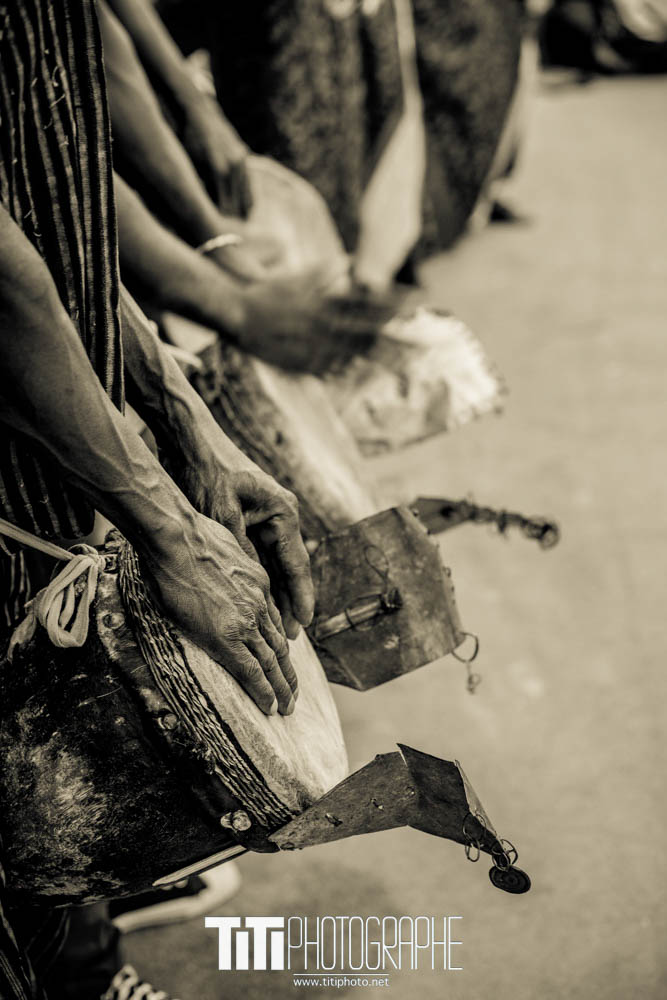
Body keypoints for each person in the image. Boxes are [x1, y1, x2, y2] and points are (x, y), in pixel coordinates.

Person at [0, 1, 317, 996]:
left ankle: (86, 964)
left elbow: (62, 195)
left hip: (48, 439)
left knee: (48, 771)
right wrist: (172, 527)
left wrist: (193, 431)